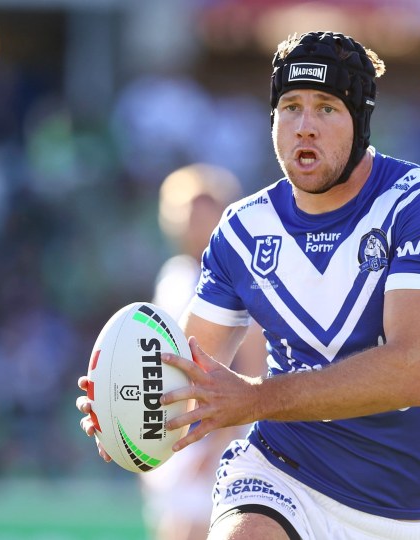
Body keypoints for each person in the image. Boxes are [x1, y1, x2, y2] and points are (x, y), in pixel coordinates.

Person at [77, 31, 420, 540]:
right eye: (290, 107)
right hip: (279, 473)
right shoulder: (242, 229)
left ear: (361, 120)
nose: (305, 126)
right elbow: (190, 371)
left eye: (326, 108)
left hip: (399, 510)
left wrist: (254, 398)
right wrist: (127, 408)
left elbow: (412, 373)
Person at [142, 163, 267, 540]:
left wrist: (220, 442)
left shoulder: (241, 277)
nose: (191, 222)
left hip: (214, 434)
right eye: (183, 210)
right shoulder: (175, 274)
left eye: (202, 210)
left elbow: (252, 367)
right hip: (176, 434)